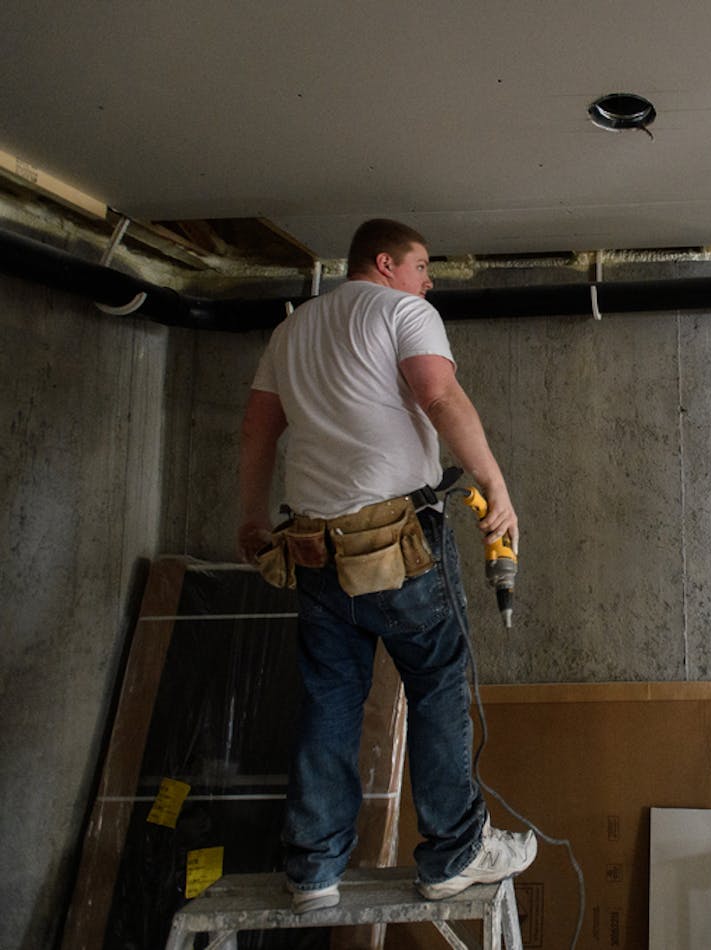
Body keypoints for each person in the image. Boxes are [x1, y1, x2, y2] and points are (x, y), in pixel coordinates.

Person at [237, 218, 535, 912]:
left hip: (311, 544)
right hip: (396, 537)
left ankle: (312, 868)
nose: (429, 280)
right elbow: (439, 395)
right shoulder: (404, 311)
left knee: (330, 698)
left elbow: (257, 428)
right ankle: (454, 853)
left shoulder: (292, 330)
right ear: (385, 262)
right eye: (423, 265)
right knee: (434, 683)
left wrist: (251, 519)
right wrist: (496, 486)